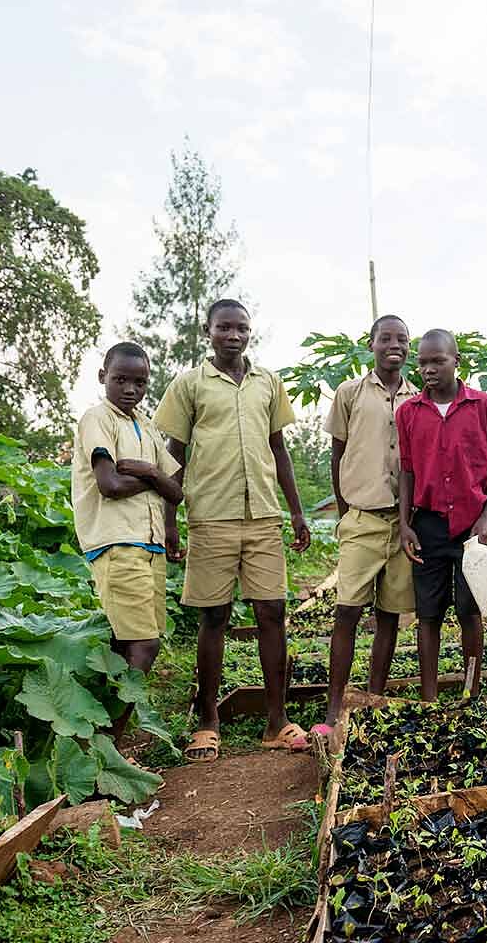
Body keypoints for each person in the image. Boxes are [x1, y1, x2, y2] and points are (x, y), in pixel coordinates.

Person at [155, 298, 313, 762]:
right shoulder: (189, 384)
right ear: (208, 331)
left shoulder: (268, 382)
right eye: (224, 328)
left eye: (241, 328)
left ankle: (276, 721)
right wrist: (170, 519)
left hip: (263, 516)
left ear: (250, 332)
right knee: (214, 617)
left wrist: (297, 512)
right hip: (211, 514)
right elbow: (174, 455)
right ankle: (208, 721)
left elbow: (279, 449)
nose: (234, 336)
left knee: (271, 614)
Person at [71, 342, 183, 760]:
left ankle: (95, 739)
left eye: (139, 382)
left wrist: (151, 470)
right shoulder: (98, 419)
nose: (131, 389)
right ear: (103, 376)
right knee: (145, 645)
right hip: (118, 543)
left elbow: (177, 490)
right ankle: (109, 749)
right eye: (121, 379)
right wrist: (155, 481)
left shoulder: (146, 426)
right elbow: (110, 486)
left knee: (125, 647)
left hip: (148, 544)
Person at [396, 329, 487, 701]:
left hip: (471, 525)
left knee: (469, 610)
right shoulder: (409, 413)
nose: (429, 369)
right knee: (429, 613)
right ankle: (429, 697)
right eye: (423, 362)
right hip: (428, 524)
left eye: (438, 361)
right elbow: (407, 471)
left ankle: (470, 691)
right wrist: (404, 524)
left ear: (456, 362)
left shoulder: (483, 407)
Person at [313, 315, 419, 733]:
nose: (395, 345)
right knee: (348, 612)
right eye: (386, 338)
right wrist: (344, 511)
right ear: (371, 344)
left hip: (403, 522)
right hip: (361, 518)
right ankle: (335, 705)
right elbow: (338, 456)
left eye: (402, 339)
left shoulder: (418, 396)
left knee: (390, 613)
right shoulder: (350, 393)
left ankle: (372, 698)